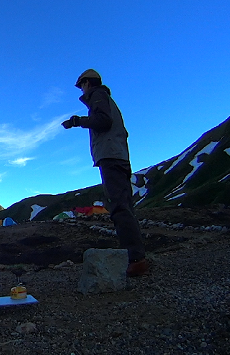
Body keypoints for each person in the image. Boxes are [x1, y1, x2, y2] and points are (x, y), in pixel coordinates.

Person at [61, 69, 149, 277]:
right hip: (118, 155)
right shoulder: (105, 97)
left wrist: (77, 121)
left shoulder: (98, 96)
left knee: (119, 206)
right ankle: (136, 256)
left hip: (111, 156)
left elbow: (103, 121)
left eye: (81, 85)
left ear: (87, 83)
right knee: (124, 206)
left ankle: (136, 260)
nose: (81, 89)